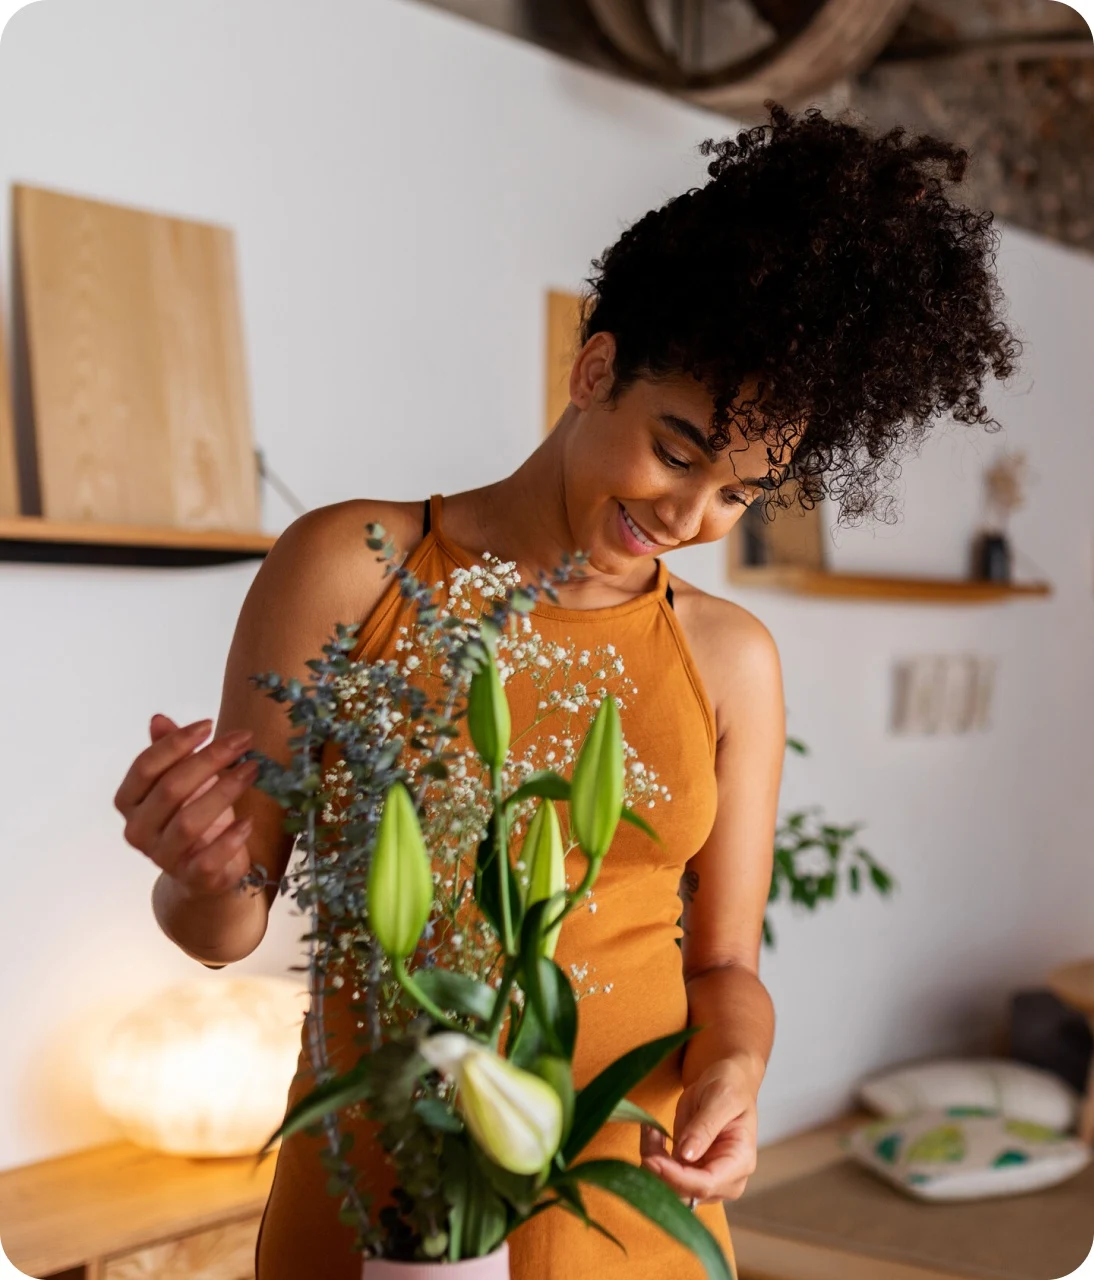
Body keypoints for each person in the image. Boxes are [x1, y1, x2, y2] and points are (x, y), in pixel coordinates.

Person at [113, 105, 1018, 1279]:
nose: (690, 518)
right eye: (679, 449)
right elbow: (226, 925)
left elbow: (724, 972)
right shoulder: (352, 567)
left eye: (742, 492)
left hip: (629, 1203)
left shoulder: (729, 657)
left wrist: (734, 1073)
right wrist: (192, 866)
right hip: (379, 1196)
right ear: (595, 367)